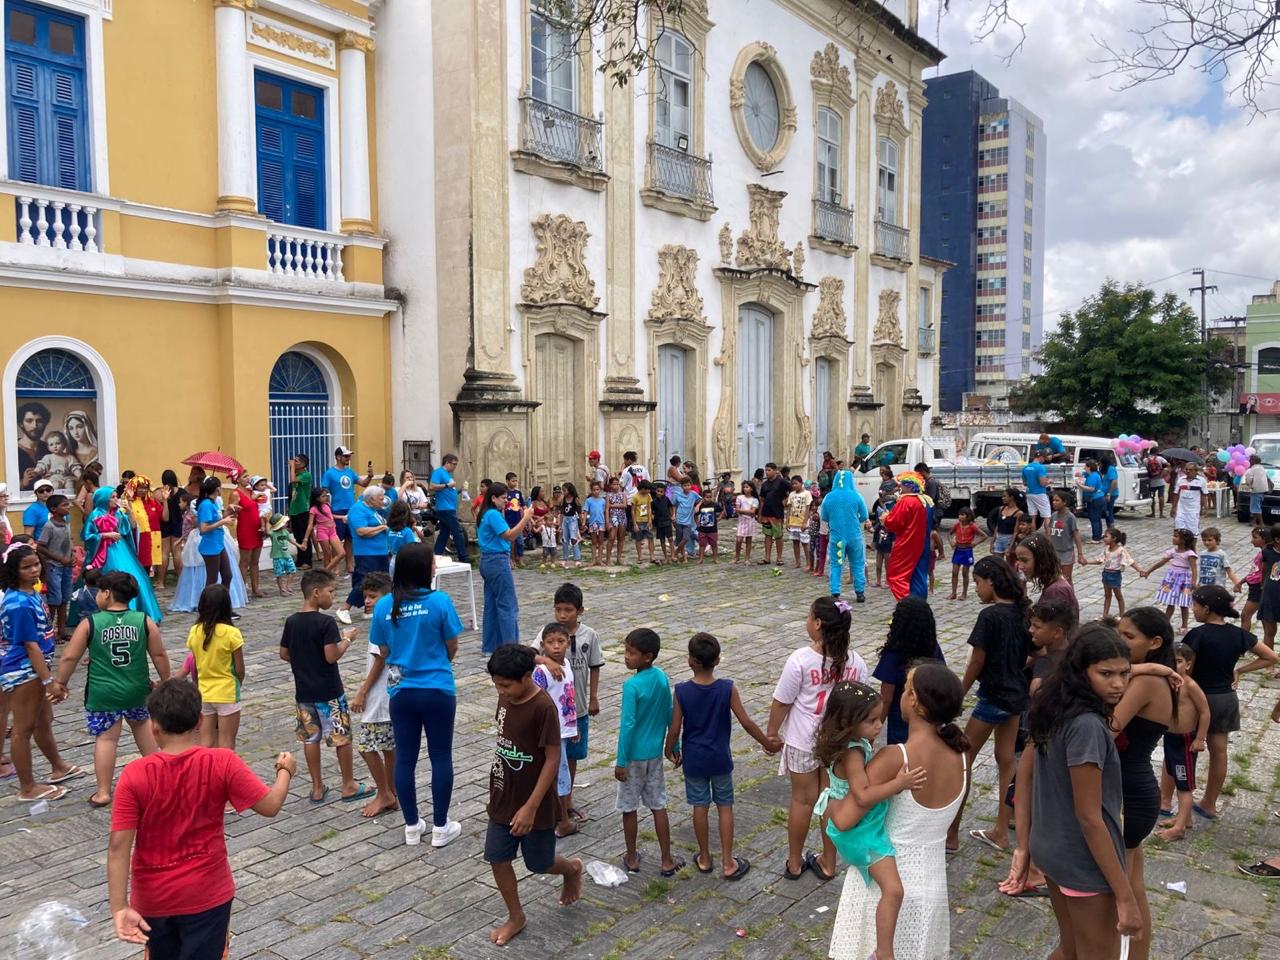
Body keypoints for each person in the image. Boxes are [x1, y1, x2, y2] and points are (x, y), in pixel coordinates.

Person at [106, 679, 296, 959]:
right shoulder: (222, 762)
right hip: (207, 894)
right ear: (199, 721)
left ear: (154, 726)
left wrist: (119, 907)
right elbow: (270, 806)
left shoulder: (134, 774)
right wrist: (285, 771)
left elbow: (118, 847)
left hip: (153, 899)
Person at [1007, 624, 1141, 959]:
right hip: (1085, 861)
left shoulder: (1053, 705)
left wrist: (1024, 846)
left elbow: (1022, 778)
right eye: (1106, 674)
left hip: (1051, 850)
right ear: (1081, 672)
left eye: (1125, 674)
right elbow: (1089, 816)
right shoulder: (1088, 727)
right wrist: (1125, 895)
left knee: (1070, 951)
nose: (1118, 684)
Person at [828, 661, 969, 959]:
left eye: (906, 688)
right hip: (931, 888)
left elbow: (842, 820)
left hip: (881, 886)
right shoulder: (961, 756)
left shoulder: (895, 758)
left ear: (914, 700)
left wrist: (830, 792)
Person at [814, 682, 927, 959]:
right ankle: (884, 953)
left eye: (880, 718)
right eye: (871, 721)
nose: (879, 726)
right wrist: (899, 783)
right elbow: (863, 796)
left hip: (854, 826)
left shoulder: (849, 743)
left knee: (891, 889)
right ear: (848, 722)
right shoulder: (852, 753)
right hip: (860, 832)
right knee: (894, 890)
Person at [483, 644, 584, 948]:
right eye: (496, 684)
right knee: (497, 857)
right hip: (503, 792)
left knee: (538, 863)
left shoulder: (543, 708)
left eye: (506, 684)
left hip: (535, 801)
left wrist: (531, 806)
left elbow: (553, 759)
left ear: (527, 678)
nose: (500, 690)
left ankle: (572, 869)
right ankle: (516, 916)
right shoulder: (505, 696)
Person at [369, 544, 465, 846]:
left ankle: (411, 825)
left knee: (405, 759)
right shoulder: (439, 601)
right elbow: (452, 645)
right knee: (440, 756)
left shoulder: (384, 605)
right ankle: (440, 826)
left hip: (401, 691)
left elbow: (383, 651)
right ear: (425, 570)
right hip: (437, 688)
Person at [768, 596, 868, 882]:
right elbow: (862, 701)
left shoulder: (800, 660)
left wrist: (772, 733)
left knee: (802, 801)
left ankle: (795, 862)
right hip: (838, 744)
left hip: (802, 741)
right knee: (830, 798)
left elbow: (782, 702)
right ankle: (828, 862)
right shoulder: (856, 662)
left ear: (818, 623)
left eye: (809, 616)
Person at [48, 571, 169, 807]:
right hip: (137, 690)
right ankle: (164, 782)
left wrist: (60, 683)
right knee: (144, 732)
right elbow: (158, 654)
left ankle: (103, 792)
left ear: (107, 594)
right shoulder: (144, 621)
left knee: (106, 740)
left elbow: (70, 657)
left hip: (103, 694)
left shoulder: (91, 623)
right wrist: (166, 681)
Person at [665, 632, 779, 879]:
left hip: (694, 759)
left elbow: (674, 728)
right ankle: (729, 861)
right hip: (720, 758)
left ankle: (705, 857)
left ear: (690, 661)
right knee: (725, 806)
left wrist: (669, 749)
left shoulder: (682, 691)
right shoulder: (727, 688)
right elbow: (747, 722)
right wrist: (766, 743)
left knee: (700, 806)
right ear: (717, 660)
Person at [948, 556, 1031, 855]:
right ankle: (1001, 829)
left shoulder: (990, 617)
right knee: (1006, 758)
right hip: (1017, 695)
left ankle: (951, 834)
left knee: (963, 762)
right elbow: (1034, 650)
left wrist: (959, 693)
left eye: (978, 583)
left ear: (991, 582)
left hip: (993, 696)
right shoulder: (1024, 611)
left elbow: (977, 660)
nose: (977, 589)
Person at [1110, 607, 1180, 960]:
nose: (1120, 641)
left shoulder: (1148, 682)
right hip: (1134, 789)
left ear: (1154, 643)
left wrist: (1140, 670)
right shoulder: (1152, 674)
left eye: (1128, 637)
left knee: (1123, 893)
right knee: (1133, 886)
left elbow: (1107, 729)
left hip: (1128, 794)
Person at [1183, 584, 1277, 820]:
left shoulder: (1197, 635)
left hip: (1198, 698)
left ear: (1206, 608)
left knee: (1185, 747)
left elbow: (1187, 667)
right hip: (1225, 698)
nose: (1192, 609)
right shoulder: (1239, 634)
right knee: (1219, 751)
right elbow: (1271, 657)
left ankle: (1177, 799)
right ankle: (1209, 803)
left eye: (1195, 605)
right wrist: (1241, 671)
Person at [279, 568, 368, 804]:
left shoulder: (292, 621)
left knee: (311, 739)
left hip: (304, 693)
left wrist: (304, 658)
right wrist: (347, 638)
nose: (333, 596)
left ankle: (317, 787)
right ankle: (348, 784)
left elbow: (284, 653)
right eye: (331, 591)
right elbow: (331, 655)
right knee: (341, 737)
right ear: (316, 593)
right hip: (329, 692)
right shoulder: (326, 623)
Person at [0, 544, 78, 801]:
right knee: (23, 729)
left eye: (36, 564)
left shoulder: (30, 593)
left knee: (44, 720)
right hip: (24, 670)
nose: (34, 570)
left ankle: (58, 766)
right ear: (14, 570)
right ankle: (28, 787)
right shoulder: (18, 603)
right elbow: (29, 645)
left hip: (36, 666)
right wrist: (48, 680)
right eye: (27, 567)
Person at [529, 583, 603, 824]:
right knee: (550, 757)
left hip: (577, 708)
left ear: (580, 610)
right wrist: (545, 660)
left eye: (568, 610)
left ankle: (567, 800)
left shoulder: (589, 636)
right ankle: (552, 801)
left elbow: (594, 667)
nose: (562, 615)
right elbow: (528, 654)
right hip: (552, 714)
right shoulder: (547, 632)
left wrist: (593, 698)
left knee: (572, 756)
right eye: (558, 609)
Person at [615, 627, 681, 875]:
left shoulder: (631, 686)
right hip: (654, 755)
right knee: (658, 805)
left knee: (629, 808)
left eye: (631, 653)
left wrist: (621, 761)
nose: (626, 656)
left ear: (647, 656)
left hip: (632, 757)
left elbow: (627, 726)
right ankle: (666, 859)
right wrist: (674, 746)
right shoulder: (662, 677)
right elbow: (669, 714)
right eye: (626, 651)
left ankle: (632, 857)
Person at [347, 571, 398, 818]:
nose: (367, 601)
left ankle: (385, 792)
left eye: (372, 596)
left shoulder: (384, 619)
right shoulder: (387, 617)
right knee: (389, 748)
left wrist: (362, 692)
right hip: (388, 695)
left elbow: (380, 658)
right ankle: (391, 792)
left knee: (367, 747)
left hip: (379, 697)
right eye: (365, 596)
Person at [84, 486, 164, 623]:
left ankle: (138, 611)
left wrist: (129, 511)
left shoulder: (118, 513)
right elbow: (87, 536)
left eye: (116, 496)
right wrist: (104, 535)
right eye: (113, 497)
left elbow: (131, 527)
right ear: (104, 499)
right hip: (103, 551)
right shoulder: (95, 514)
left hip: (121, 549)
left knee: (136, 577)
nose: (116, 499)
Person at [872, 596, 945, 745]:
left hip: (901, 720)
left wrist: (875, 729)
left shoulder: (894, 653)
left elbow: (886, 698)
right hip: (929, 718)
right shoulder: (933, 647)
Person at [1155, 643, 1209, 842]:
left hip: (1185, 741)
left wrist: (1200, 738)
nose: (1173, 665)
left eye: (1178, 661)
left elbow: (1205, 712)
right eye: (1170, 661)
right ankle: (1183, 819)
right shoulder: (1170, 683)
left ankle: (1179, 829)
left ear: (1188, 664)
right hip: (1171, 738)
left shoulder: (1190, 685)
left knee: (1184, 785)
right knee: (1173, 774)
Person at [531, 622, 577, 837]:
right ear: (542, 645)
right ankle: (562, 821)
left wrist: (573, 726)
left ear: (568, 643)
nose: (556, 647)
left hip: (564, 732)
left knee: (560, 775)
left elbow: (568, 696)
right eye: (550, 642)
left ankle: (555, 816)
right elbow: (536, 701)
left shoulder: (567, 664)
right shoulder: (542, 672)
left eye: (560, 641)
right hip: (551, 734)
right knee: (558, 776)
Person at [185, 585, 244, 751]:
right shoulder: (232, 633)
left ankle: (205, 773)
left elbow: (195, 665)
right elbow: (239, 669)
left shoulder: (194, 631)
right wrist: (237, 684)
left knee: (206, 742)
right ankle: (225, 776)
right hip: (226, 691)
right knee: (227, 743)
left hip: (204, 691)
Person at [477, 482, 533, 654]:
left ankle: (492, 646)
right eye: (502, 498)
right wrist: (526, 517)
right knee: (508, 605)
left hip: (487, 560)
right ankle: (511, 648)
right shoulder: (493, 514)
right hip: (496, 560)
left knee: (492, 605)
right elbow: (509, 536)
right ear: (493, 498)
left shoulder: (485, 514)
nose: (505, 502)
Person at [336, 485, 389, 624]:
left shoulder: (372, 509)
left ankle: (369, 609)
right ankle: (344, 608)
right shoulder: (358, 509)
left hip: (380, 551)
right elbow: (361, 531)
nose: (383, 501)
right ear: (371, 499)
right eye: (380, 499)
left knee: (380, 581)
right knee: (364, 582)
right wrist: (382, 527)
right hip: (367, 552)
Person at [883, 471, 934, 601]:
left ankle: (907, 607)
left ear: (910, 486)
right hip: (923, 544)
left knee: (896, 576)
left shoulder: (906, 501)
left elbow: (893, 523)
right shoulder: (926, 501)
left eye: (902, 485)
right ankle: (920, 606)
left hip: (907, 544)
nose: (900, 487)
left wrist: (885, 518)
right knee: (919, 576)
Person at [322, 446, 372, 576]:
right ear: (338, 457)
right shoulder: (329, 473)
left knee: (350, 538)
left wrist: (370, 476)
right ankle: (336, 566)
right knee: (337, 539)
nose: (348, 458)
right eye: (346, 456)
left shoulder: (350, 471)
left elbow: (363, 483)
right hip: (338, 508)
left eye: (349, 456)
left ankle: (349, 565)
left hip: (351, 508)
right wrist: (326, 508)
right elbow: (325, 491)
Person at [822, 468, 869, 602]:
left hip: (837, 537)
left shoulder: (829, 497)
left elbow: (824, 516)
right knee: (857, 563)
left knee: (836, 564)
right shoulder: (856, 496)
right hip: (854, 536)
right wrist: (854, 520)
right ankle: (860, 592)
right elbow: (864, 516)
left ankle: (835, 591)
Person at [1139, 528, 1199, 633]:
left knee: (1183, 604)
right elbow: (1161, 562)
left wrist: (1193, 582)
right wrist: (1149, 571)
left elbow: (1194, 569)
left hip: (1183, 581)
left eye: (1176, 536)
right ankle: (1165, 624)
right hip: (1172, 579)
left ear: (1183, 540)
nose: (1173, 538)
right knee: (1170, 602)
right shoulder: (1173, 551)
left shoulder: (1190, 554)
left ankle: (1184, 626)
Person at [1014, 532, 1079, 623]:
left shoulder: (1056, 590)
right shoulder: (1052, 583)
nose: (1020, 566)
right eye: (1018, 560)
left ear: (1041, 559)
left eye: (1024, 560)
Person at [34, 493, 74, 641]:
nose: (68, 507)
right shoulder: (49, 526)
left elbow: (68, 541)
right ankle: (50, 631)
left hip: (66, 567)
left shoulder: (66, 523)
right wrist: (59, 558)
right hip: (54, 568)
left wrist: (72, 556)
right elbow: (41, 547)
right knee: (54, 600)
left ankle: (62, 630)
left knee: (64, 599)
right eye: (64, 505)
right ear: (54, 509)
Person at [193, 477, 236, 595]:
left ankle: (223, 605)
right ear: (218, 489)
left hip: (219, 544)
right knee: (212, 580)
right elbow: (204, 528)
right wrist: (223, 522)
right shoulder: (206, 504)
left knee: (227, 576)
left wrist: (228, 511)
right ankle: (207, 607)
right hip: (210, 546)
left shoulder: (214, 503)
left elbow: (216, 519)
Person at [1087, 527, 1139, 619]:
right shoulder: (1106, 549)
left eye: (1106, 536)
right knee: (1107, 596)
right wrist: (1087, 562)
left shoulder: (1121, 550)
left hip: (1115, 575)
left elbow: (1130, 561)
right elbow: (1099, 561)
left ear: (1114, 538)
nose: (1104, 538)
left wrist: (1140, 570)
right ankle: (1105, 615)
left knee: (1118, 596)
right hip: (1106, 574)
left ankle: (1122, 615)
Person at [429, 453, 470, 564]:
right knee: (458, 531)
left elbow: (449, 492)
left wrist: (460, 490)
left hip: (449, 508)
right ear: (447, 462)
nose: (455, 467)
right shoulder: (438, 472)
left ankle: (436, 556)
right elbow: (432, 487)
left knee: (444, 533)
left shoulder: (448, 475)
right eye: (454, 464)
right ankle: (464, 557)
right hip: (445, 508)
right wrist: (447, 485)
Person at [231, 472, 265, 599]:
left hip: (257, 529)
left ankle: (256, 588)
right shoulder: (235, 493)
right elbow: (232, 512)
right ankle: (242, 589)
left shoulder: (251, 491)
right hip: (245, 529)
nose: (248, 478)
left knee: (255, 561)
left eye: (248, 476)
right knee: (245, 561)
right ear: (237, 479)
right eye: (244, 476)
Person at [948, 506, 988, 600]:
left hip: (967, 551)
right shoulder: (957, 525)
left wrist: (975, 543)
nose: (960, 517)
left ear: (968, 516)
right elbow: (949, 534)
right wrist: (951, 542)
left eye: (962, 515)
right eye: (959, 514)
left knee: (965, 573)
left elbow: (984, 536)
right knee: (954, 572)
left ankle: (964, 593)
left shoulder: (972, 526)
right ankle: (953, 593)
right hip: (958, 550)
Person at [304, 488, 343, 575]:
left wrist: (342, 517)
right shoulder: (313, 509)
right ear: (317, 498)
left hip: (332, 530)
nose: (326, 497)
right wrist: (305, 539)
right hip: (322, 531)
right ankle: (327, 575)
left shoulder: (327, 505)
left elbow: (330, 516)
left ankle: (325, 571)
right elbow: (310, 525)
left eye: (326, 495)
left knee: (341, 553)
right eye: (323, 496)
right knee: (327, 554)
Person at [757, 463, 789, 567]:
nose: (767, 472)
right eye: (766, 470)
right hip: (766, 513)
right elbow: (762, 500)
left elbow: (792, 490)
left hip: (777, 513)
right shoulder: (765, 484)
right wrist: (760, 514)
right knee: (767, 535)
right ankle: (767, 557)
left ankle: (779, 558)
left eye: (769, 470)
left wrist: (786, 501)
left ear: (775, 470)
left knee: (778, 536)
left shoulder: (782, 482)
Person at [287, 453, 314, 569]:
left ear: (303, 464)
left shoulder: (306, 475)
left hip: (303, 509)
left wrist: (292, 466)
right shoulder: (296, 473)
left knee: (303, 535)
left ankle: (307, 561)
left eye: (297, 461)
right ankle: (300, 559)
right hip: (294, 509)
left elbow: (293, 480)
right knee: (297, 536)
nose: (294, 462)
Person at [16, 400, 50, 489]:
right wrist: (23, 483)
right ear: (21, 424)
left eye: (39, 421)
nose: (34, 426)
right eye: (29, 421)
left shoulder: (49, 449)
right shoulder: (12, 450)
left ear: (45, 423)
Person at [266, 512, 300, 596]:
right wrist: (267, 521)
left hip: (287, 555)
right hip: (277, 556)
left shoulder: (285, 532)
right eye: (285, 523)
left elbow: (291, 540)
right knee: (279, 574)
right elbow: (267, 531)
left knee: (292, 570)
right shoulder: (273, 534)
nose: (287, 524)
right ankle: (282, 589)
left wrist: (299, 546)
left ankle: (288, 586)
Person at [1172, 462, 1209, 536]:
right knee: (1179, 531)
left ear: (1196, 471)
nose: (1188, 471)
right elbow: (1176, 494)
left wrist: (1206, 507)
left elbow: (1204, 495)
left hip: (1193, 511)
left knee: (1193, 533)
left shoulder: (1201, 481)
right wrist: (1173, 507)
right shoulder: (1181, 480)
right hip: (1181, 510)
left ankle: (1192, 547)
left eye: (1191, 470)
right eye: (1186, 469)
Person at [1197, 526, 1239, 590]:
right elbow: (1202, 572)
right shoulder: (1202, 554)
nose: (1206, 542)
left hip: (1217, 588)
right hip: (1203, 587)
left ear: (1217, 541)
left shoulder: (1221, 554)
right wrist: (1198, 584)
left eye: (1209, 540)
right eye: (1204, 540)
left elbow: (1229, 571)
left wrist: (1237, 584)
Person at [785, 475, 812, 569]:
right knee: (795, 542)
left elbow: (808, 509)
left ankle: (809, 563)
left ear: (801, 483)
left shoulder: (807, 494)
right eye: (792, 484)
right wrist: (787, 521)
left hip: (802, 522)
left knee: (805, 543)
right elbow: (789, 508)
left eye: (796, 483)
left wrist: (805, 522)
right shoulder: (791, 495)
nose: (794, 486)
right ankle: (797, 561)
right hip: (793, 522)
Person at [1079, 459, 1109, 543]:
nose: (1084, 468)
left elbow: (1091, 489)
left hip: (1094, 499)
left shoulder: (1093, 476)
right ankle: (1098, 536)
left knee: (1094, 518)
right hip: (1099, 499)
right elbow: (1084, 474)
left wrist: (1080, 486)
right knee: (1097, 518)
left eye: (1085, 466)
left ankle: (1095, 538)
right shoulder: (1095, 474)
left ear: (1089, 467)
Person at [671, 475, 700, 563]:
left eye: (688, 485)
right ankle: (685, 558)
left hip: (688, 521)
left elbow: (701, 500)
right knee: (680, 539)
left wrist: (697, 506)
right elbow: (674, 505)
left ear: (691, 485)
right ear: (681, 486)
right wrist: (673, 515)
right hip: (679, 520)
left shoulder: (693, 494)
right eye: (685, 485)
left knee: (686, 538)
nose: (687, 487)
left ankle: (676, 552)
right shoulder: (678, 495)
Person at [630, 479, 657, 565]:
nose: (649, 491)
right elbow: (633, 511)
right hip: (638, 521)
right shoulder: (635, 497)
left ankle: (652, 556)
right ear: (643, 488)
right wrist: (634, 524)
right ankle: (640, 556)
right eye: (648, 489)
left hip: (646, 521)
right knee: (638, 539)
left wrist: (650, 520)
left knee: (650, 538)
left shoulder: (648, 496)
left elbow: (649, 508)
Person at [990, 488, 1023, 555]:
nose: (1002, 498)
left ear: (1011, 497)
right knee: (997, 562)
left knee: (1010, 563)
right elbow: (997, 526)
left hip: (1009, 539)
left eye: (1005, 496)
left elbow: (1016, 531)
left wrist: (1011, 546)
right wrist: (993, 542)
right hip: (999, 538)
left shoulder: (1018, 513)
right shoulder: (1001, 509)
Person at [733, 479, 759, 564]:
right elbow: (737, 510)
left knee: (748, 539)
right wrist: (748, 512)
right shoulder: (740, 497)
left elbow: (753, 511)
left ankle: (747, 558)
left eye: (747, 487)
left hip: (750, 522)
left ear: (751, 488)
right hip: (742, 521)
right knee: (739, 539)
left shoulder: (754, 500)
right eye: (744, 487)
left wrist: (742, 511)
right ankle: (737, 557)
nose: (745, 489)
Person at [694, 489, 722, 564]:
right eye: (707, 497)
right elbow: (695, 514)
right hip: (702, 529)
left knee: (714, 544)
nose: (709, 499)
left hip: (713, 529)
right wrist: (697, 523)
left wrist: (720, 517)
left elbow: (722, 510)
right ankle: (701, 559)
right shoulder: (701, 506)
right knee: (702, 545)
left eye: (710, 497)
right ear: (703, 497)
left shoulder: (714, 505)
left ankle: (715, 558)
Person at [559, 481, 583, 568]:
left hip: (572, 519)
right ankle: (565, 558)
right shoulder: (563, 499)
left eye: (564, 490)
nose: (563, 492)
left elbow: (579, 512)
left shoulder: (575, 499)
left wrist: (582, 522)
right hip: (565, 519)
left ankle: (577, 558)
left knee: (574, 539)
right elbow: (561, 513)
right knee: (565, 539)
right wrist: (560, 524)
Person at [1241, 454, 1269, 527]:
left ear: (1253, 461)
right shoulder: (1262, 468)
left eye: (1250, 460)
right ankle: (1253, 522)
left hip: (1255, 490)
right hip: (1262, 490)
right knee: (1256, 506)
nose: (1249, 461)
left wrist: (1247, 485)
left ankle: (1261, 523)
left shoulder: (1252, 469)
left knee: (1256, 507)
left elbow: (1248, 480)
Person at [651, 480, 674, 564]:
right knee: (662, 540)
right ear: (656, 491)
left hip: (667, 521)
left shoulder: (666, 499)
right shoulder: (653, 501)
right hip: (659, 522)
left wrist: (672, 515)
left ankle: (672, 555)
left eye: (661, 492)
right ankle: (666, 557)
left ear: (664, 492)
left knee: (670, 538)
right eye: (658, 491)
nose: (660, 493)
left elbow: (671, 507)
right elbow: (651, 511)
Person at [584, 480, 606, 566]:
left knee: (601, 541)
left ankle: (600, 559)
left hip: (601, 522)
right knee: (593, 542)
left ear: (600, 490)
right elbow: (585, 511)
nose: (596, 491)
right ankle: (593, 560)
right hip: (592, 523)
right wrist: (583, 522)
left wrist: (607, 522)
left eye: (597, 489)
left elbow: (604, 512)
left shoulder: (603, 501)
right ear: (591, 490)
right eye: (594, 490)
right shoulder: (588, 500)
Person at [1145, 450, 1169, 519]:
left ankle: (1153, 513)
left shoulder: (1146, 460)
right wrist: (1165, 471)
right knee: (1161, 497)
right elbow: (1168, 465)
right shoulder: (1160, 458)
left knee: (1152, 497)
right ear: (1156, 452)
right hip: (1160, 481)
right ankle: (1161, 514)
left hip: (1151, 482)